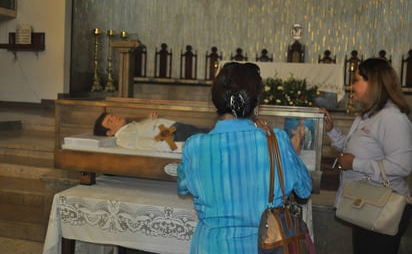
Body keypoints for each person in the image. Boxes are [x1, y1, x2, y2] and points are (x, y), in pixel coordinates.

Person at [177, 62, 312, 253]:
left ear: (216, 102)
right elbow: (305, 189)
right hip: (264, 246)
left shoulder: (194, 146)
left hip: (212, 247)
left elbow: (182, 187)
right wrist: (290, 153)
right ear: (256, 104)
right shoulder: (277, 142)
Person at [321, 58, 412, 254]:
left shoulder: (393, 118)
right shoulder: (367, 115)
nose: (352, 85)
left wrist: (356, 164)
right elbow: (351, 148)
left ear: (373, 83)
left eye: (356, 80)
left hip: (384, 206)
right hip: (365, 202)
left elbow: (403, 166)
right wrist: (331, 130)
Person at [93, 111, 209, 152]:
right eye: (110, 121)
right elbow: (143, 144)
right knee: (210, 139)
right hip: (174, 134)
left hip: (174, 128)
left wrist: (150, 122)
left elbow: (146, 133)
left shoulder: (127, 128)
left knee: (209, 133)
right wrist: (170, 143)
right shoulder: (122, 137)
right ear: (109, 133)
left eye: (112, 116)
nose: (115, 118)